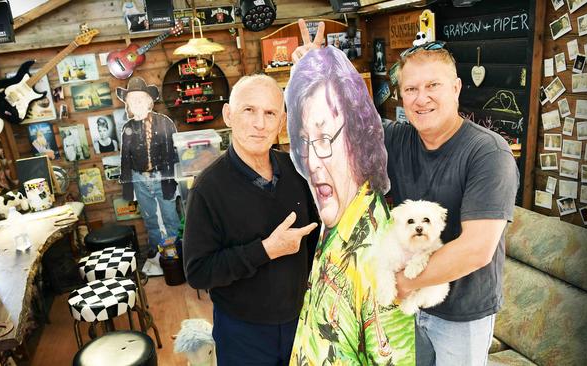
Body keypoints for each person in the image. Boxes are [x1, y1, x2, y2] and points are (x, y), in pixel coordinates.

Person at [293, 19, 519, 366]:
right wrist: (316, 69)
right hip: (404, 310)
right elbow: (352, 118)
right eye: (410, 89)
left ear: (456, 88)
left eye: (433, 85)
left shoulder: (488, 152)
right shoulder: (397, 139)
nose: (421, 98)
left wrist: (398, 283)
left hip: (461, 314)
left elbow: (477, 249)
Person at [286, 45, 415, 364]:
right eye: (304, 141)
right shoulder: (338, 223)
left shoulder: (380, 258)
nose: (313, 160)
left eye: (325, 139)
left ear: (359, 140)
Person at [183, 74, 320, 365]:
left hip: (302, 319)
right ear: (228, 115)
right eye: (249, 110)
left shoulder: (297, 170)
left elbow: (317, 237)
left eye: (270, 113)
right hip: (243, 332)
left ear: (281, 122)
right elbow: (197, 272)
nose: (260, 124)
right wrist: (266, 250)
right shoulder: (208, 188)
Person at [117, 77, 180, 269]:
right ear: (127, 104)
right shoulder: (127, 127)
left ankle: (176, 253)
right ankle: (155, 251)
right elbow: (125, 159)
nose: (136, 103)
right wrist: (128, 187)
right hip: (138, 177)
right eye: (132, 99)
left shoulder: (164, 123)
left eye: (140, 98)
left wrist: (172, 180)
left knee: (170, 216)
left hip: (163, 176)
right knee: (149, 217)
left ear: (149, 101)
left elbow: (173, 153)